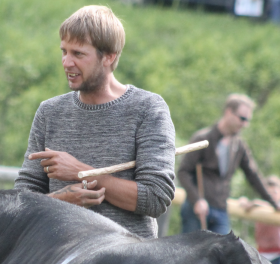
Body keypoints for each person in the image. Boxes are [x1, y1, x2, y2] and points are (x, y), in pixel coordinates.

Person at [14, 6, 176, 239]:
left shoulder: (147, 108)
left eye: (78, 54)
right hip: (56, 260)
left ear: (108, 56)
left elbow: (155, 198)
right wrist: (61, 200)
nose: (66, 62)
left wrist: (83, 172)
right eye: (64, 51)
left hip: (129, 263)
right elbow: (21, 200)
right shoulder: (49, 112)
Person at [177, 93, 280, 234]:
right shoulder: (202, 138)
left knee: (224, 254)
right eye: (242, 118)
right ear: (228, 112)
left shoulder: (239, 146)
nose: (245, 124)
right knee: (190, 254)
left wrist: (274, 204)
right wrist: (197, 200)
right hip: (197, 210)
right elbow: (183, 172)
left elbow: (253, 176)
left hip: (221, 209)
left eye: (248, 120)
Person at [240, 175, 280, 264]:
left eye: (275, 192)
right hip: (261, 251)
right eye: (269, 193)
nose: (272, 196)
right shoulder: (258, 209)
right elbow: (244, 204)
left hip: (277, 252)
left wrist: (257, 203)